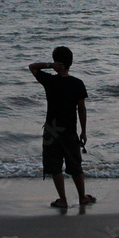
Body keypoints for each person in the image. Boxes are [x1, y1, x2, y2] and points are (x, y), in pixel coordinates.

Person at [28, 46, 94, 209]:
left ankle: (63, 199)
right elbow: (82, 109)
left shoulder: (50, 80)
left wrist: (50, 65)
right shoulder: (77, 83)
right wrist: (84, 131)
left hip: (52, 129)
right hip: (69, 129)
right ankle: (82, 197)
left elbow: (32, 67)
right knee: (75, 165)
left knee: (54, 165)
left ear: (58, 62)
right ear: (70, 63)